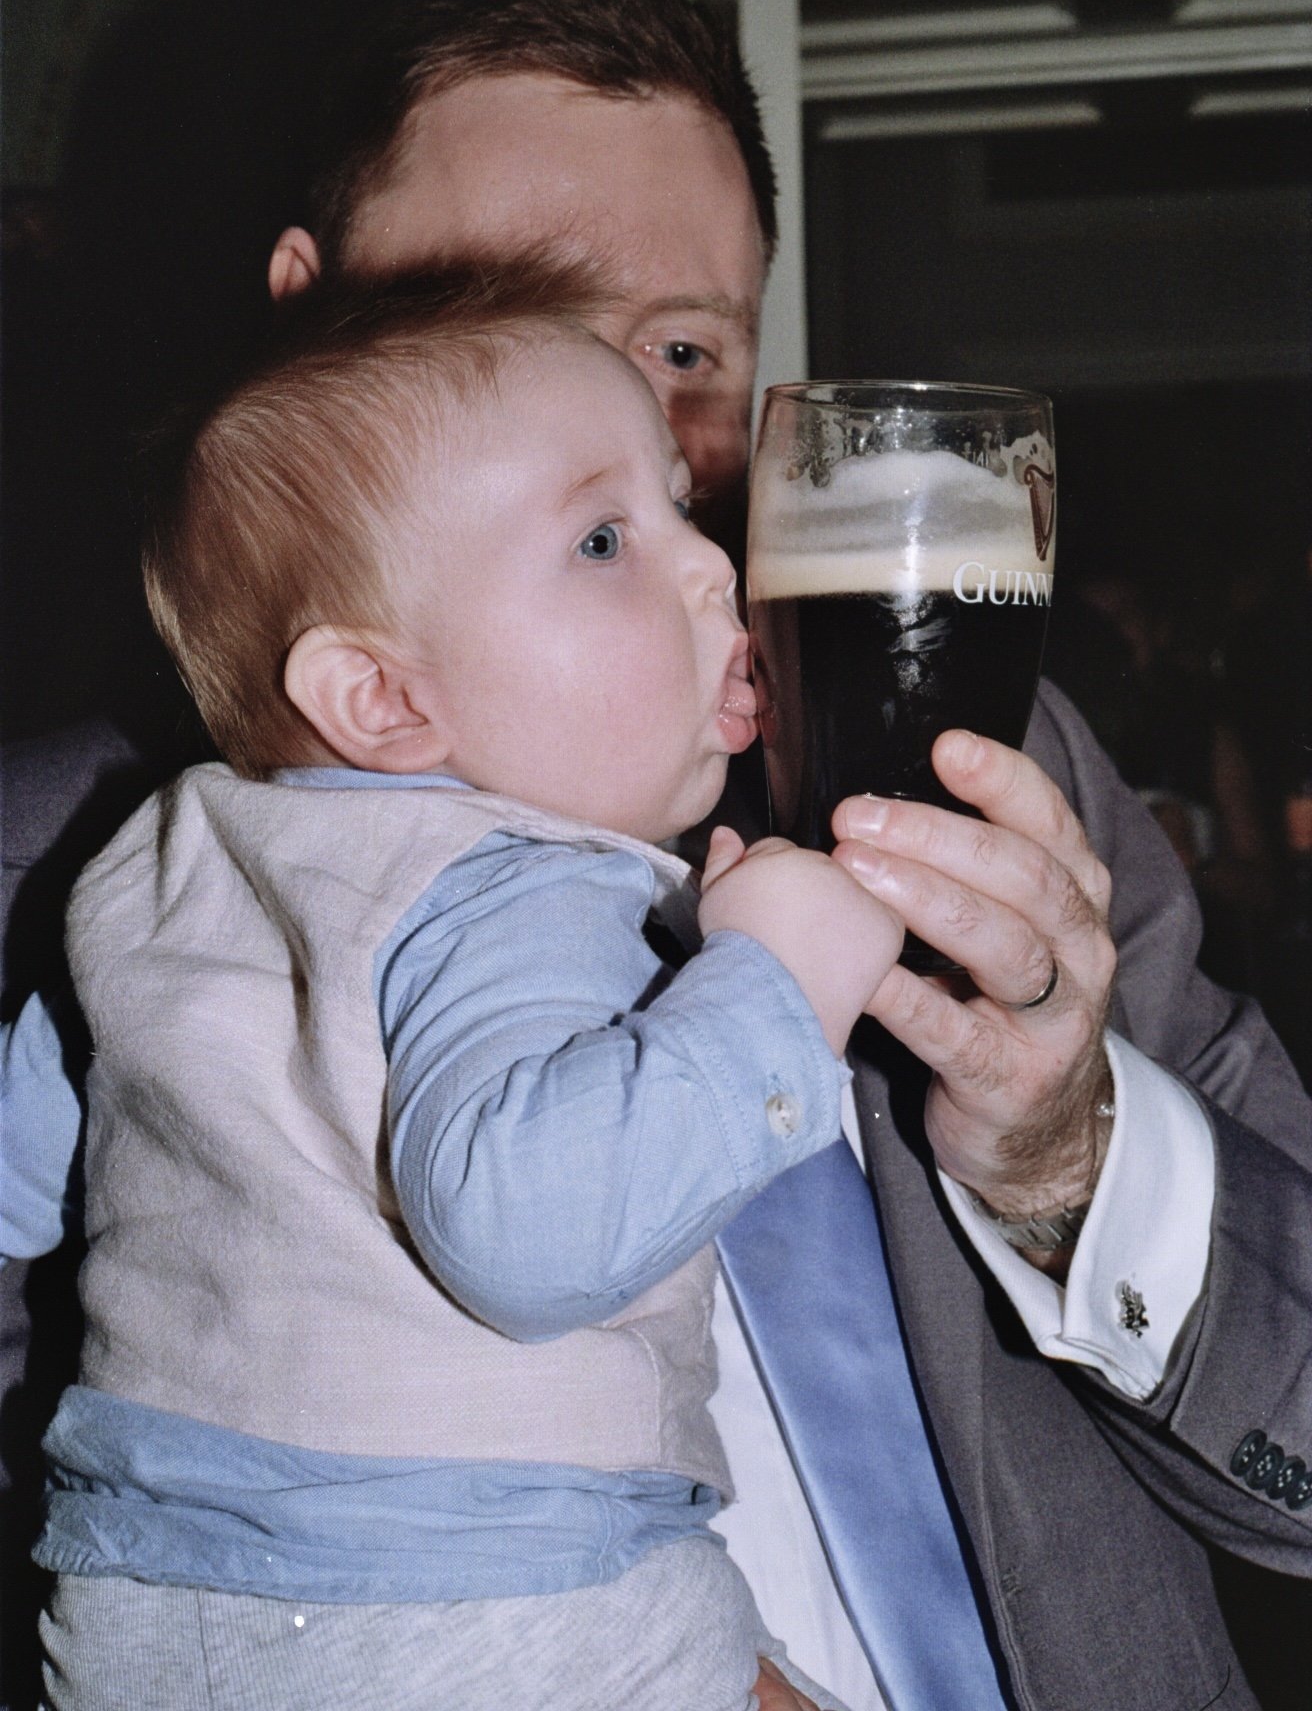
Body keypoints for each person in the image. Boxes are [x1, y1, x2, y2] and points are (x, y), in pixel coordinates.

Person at [5, 0, 1310, 1711]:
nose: (629, 411)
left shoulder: (999, 780)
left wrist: (1074, 1171)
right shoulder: (75, 872)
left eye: (686, 348)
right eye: (503, 298)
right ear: (308, 312)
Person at [6, 264, 914, 1709]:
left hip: (133, 1593)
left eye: (681, 504)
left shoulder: (155, 862)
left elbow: (30, 1175)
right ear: (385, 699)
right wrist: (778, 987)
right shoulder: (525, 879)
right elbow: (524, 1233)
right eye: (607, 537)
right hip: (482, 1596)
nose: (710, 565)